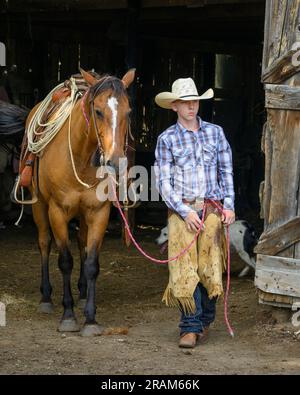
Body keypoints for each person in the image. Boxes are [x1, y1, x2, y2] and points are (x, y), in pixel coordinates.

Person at [154, 77, 235, 348]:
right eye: (186, 103)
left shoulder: (216, 133)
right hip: (182, 211)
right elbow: (164, 182)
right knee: (184, 269)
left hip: (211, 207)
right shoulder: (166, 139)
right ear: (174, 106)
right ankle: (189, 326)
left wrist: (230, 205)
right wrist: (184, 210)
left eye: (195, 101)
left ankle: (205, 320)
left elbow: (226, 171)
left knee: (210, 265)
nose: (191, 107)